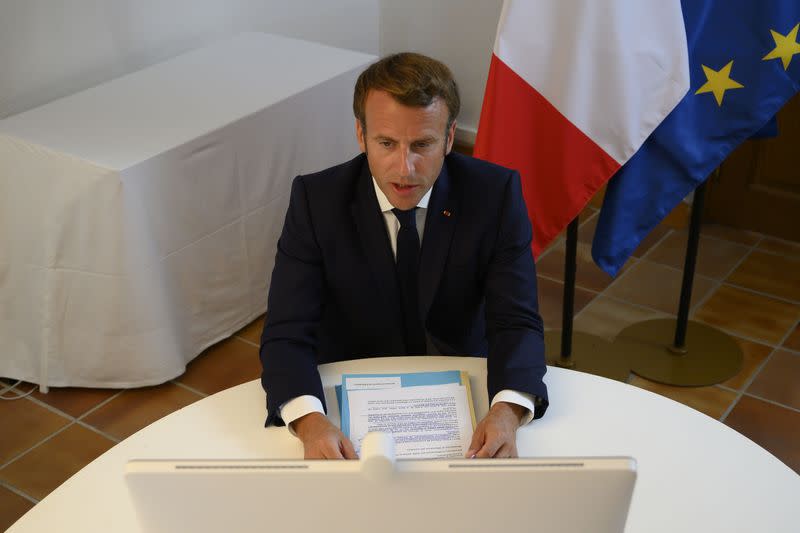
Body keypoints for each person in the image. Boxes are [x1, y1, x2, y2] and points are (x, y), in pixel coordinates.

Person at [260, 52, 548, 460]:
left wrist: (506, 411)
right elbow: (286, 332)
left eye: (423, 144)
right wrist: (310, 422)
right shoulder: (315, 201)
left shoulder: (495, 195)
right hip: (351, 392)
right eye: (386, 143)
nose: (405, 167)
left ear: (449, 138)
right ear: (361, 135)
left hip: (464, 386)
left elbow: (516, 321)